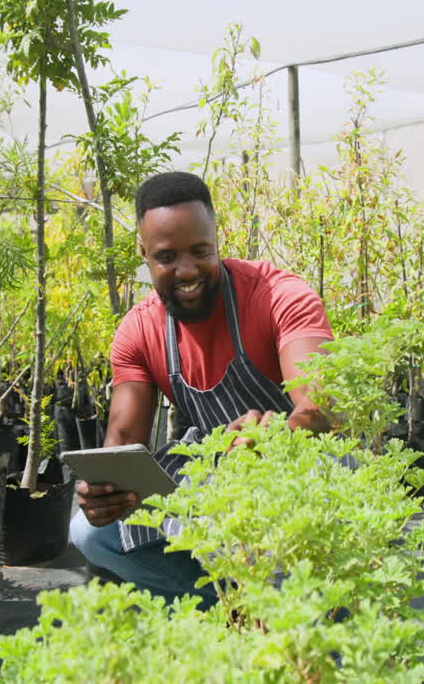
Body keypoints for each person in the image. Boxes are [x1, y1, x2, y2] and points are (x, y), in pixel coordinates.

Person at [70, 171, 333, 605]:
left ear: (217, 238)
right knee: (90, 533)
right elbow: (121, 443)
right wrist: (103, 492)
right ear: (144, 254)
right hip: (212, 469)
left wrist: (276, 435)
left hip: (300, 467)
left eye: (200, 251)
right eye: (167, 257)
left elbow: (322, 407)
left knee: (283, 575)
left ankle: (300, 635)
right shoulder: (139, 330)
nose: (186, 270)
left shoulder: (278, 296)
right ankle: (221, 609)